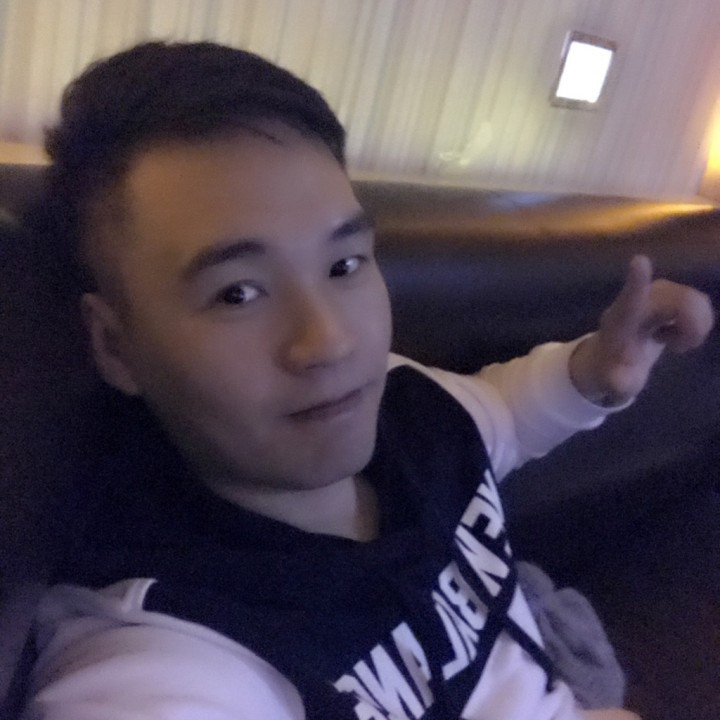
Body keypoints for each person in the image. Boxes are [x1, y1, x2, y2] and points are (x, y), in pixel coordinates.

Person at [21, 41, 713, 720]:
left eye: (344, 265)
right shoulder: (164, 654)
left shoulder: (403, 399)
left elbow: (499, 417)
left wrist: (598, 372)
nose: (330, 341)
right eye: (238, 293)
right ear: (116, 345)